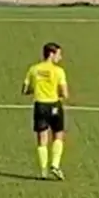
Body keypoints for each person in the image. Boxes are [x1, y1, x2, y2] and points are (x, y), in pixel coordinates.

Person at [22, 42, 69, 180]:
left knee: (42, 138)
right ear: (51, 54)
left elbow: (25, 90)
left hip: (40, 106)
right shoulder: (58, 71)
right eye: (58, 54)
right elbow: (65, 93)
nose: (60, 58)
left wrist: (37, 89)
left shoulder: (33, 69)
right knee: (58, 135)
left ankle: (43, 170)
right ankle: (55, 164)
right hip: (54, 105)